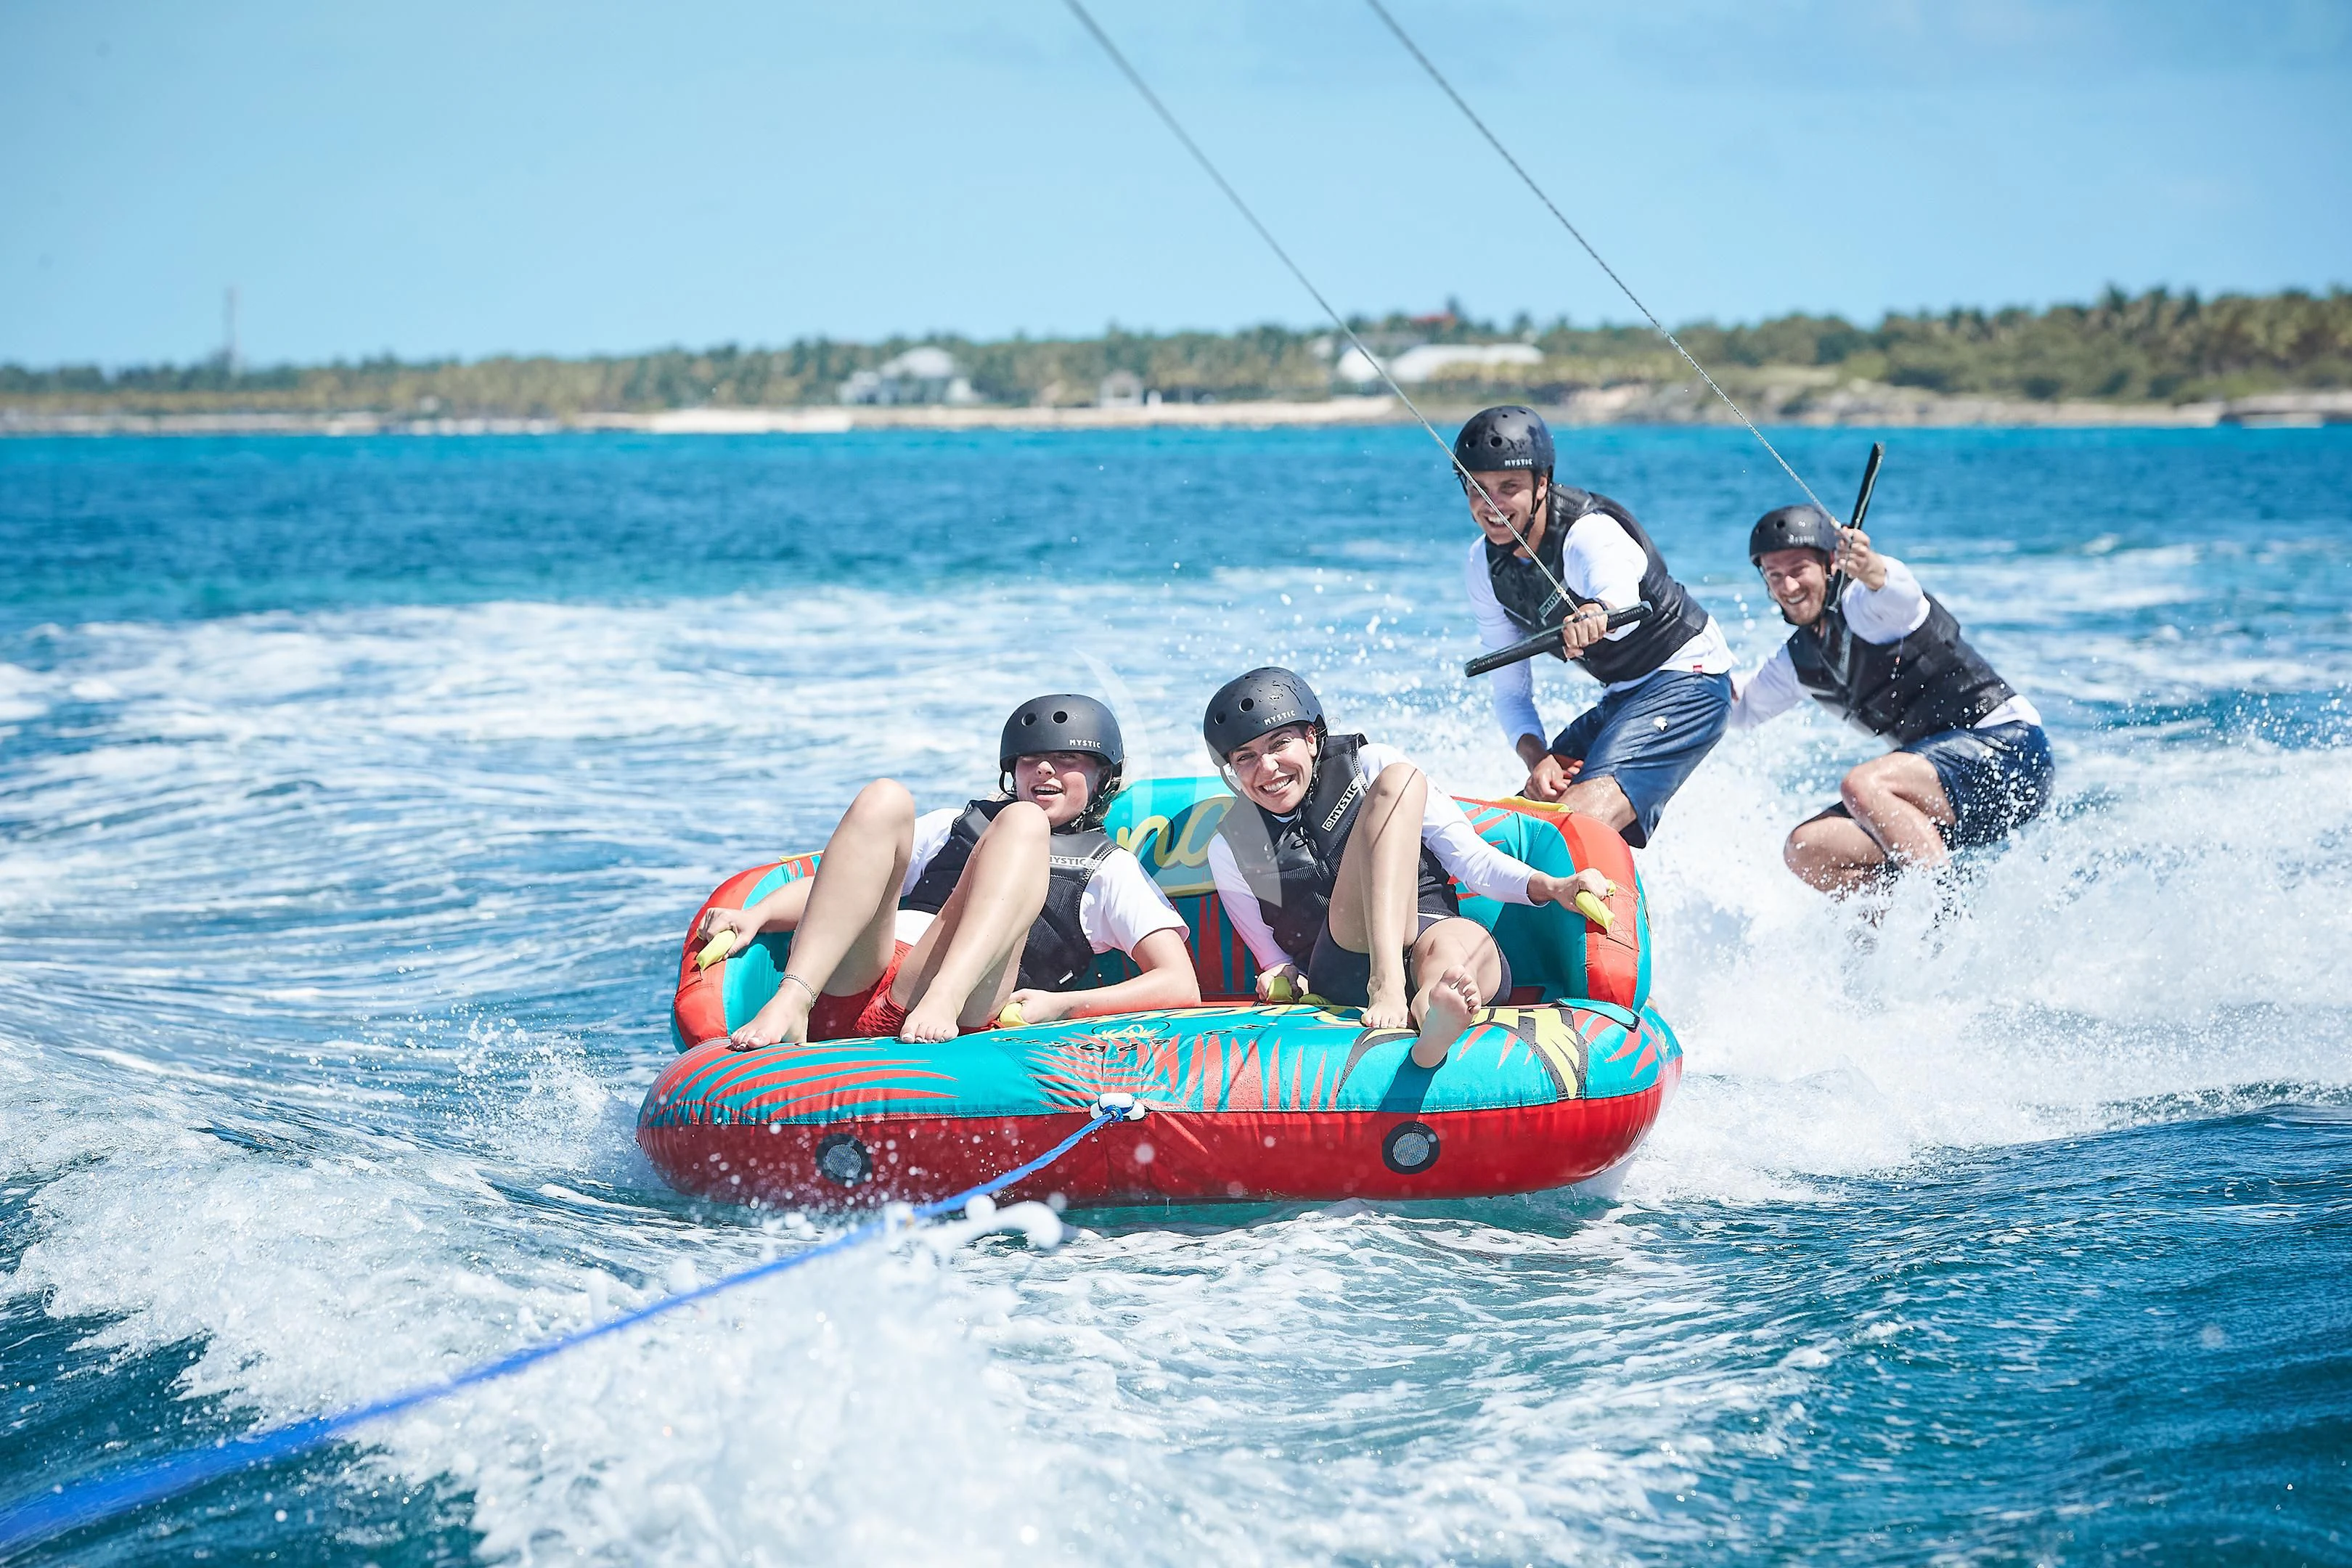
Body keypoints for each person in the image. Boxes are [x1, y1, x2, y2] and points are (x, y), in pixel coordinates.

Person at [695, 695, 1199, 1048]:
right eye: (1032, 761)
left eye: (1067, 760)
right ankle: (792, 999)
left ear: (1102, 777)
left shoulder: (1110, 870)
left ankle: (944, 996)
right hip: (859, 980)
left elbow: (1179, 985)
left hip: (956, 1006)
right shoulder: (953, 826)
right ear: (1012, 770)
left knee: (1022, 823)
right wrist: (758, 914)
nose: (1045, 771)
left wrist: (1061, 1006)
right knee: (884, 797)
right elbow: (850, 887)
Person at [1200, 666, 1612, 1070]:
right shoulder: (1230, 846)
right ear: (1232, 771)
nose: (1267, 768)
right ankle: (1388, 980)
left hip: (1426, 924)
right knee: (1399, 782)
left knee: (1460, 943)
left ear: (1312, 738)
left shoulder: (1369, 766)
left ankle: (1435, 1011)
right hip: (1344, 959)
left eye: (1279, 744)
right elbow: (1273, 959)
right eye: (1247, 758)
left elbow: (1471, 858)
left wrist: (1553, 886)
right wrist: (1284, 978)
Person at [1732, 504, 2055, 892]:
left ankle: (1943, 914)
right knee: (1807, 849)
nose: (1788, 587)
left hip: (2011, 753)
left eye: (1799, 569)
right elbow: (1741, 706)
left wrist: (1869, 567)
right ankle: (1889, 941)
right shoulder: (1797, 660)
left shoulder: (1867, 606)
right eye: (1775, 575)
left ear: (1831, 565)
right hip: (1940, 800)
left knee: (1864, 785)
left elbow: (1898, 590)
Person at [1458, 404, 1736, 848]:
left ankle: (1598, 906)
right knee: (1519, 826)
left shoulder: (1590, 533)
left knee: (1576, 820)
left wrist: (1596, 613)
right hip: (1623, 694)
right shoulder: (1482, 566)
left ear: (1542, 483)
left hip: (1691, 678)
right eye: (1477, 489)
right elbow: (1510, 691)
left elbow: (1620, 600)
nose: (1491, 506)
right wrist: (1539, 760)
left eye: (1508, 488)